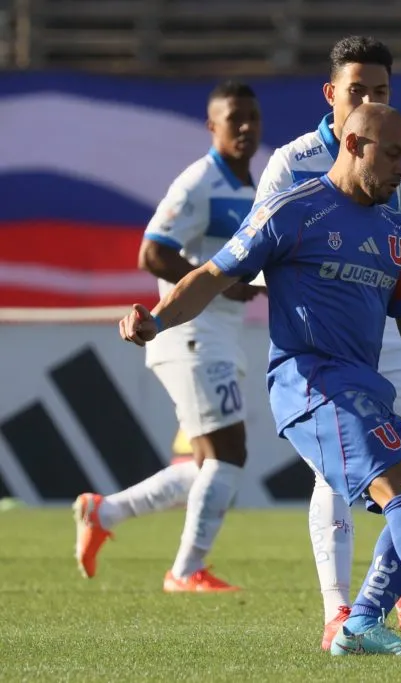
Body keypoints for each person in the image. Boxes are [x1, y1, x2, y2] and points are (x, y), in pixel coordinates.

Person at [118, 103, 401, 656]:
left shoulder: (397, 230)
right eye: (392, 154)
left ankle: (362, 621)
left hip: (363, 386)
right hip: (310, 382)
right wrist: (156, 320)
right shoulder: (293, 211)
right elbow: (210, 275)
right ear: (353, 145)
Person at [255, 35, 401, 649]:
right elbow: (255, 252)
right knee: (343, 476)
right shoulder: (294, 163)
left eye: (380, 91)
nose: (369, 100)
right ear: (332, 94)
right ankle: (340, 611)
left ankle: (397, 574)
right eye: (357, 90)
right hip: (325, 343)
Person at [74, 80, 264, 592]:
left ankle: (105, 512)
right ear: (212, 126)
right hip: (190, 333)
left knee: (205, 462)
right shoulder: (199, 182)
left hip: (218, 335)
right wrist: (218, 284)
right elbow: (152, 253)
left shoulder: (248, 187)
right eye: (234, 119)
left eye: (252, 117)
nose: (245, 127)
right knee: (229, 454)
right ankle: (186, 571)